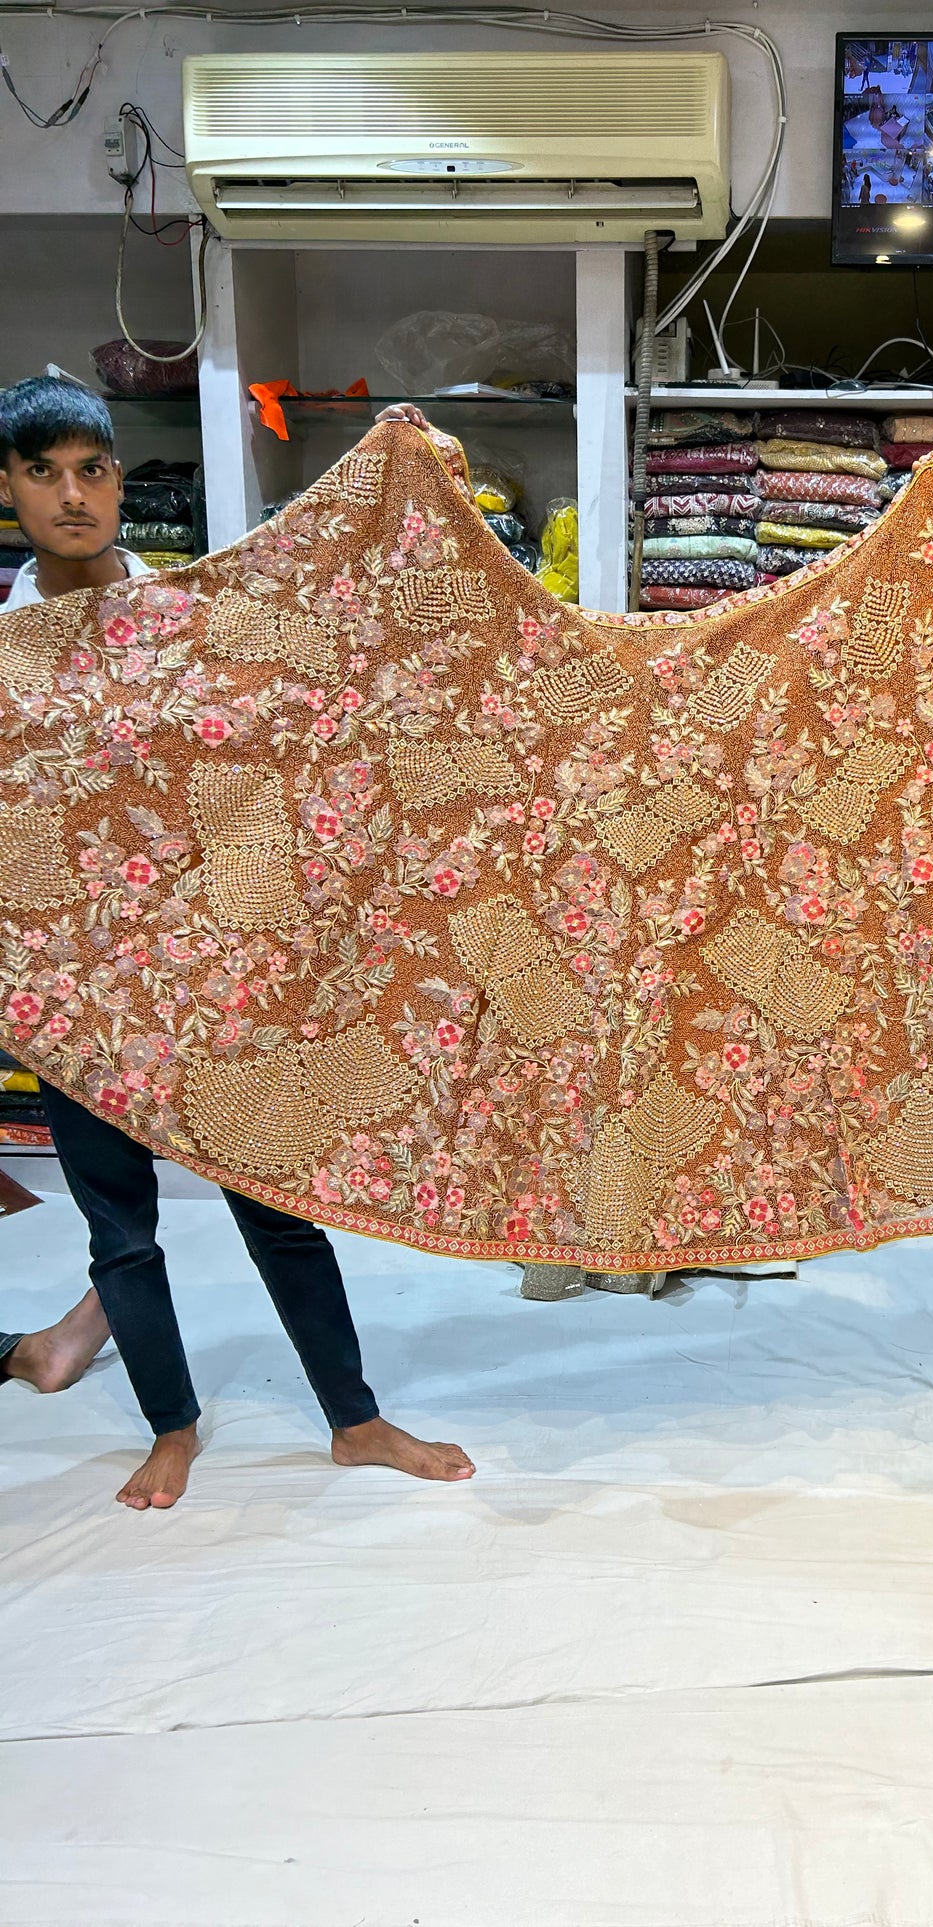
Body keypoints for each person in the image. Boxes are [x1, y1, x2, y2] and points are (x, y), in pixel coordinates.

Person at [0, 375, 476, 1507]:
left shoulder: (197, 618)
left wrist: (403, 482)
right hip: (77, 994)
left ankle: (353, 1421)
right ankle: (172, 1425)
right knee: (121, 1230)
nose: (74, 495)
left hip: (223, 977)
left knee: (280, 1205)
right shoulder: (6, 657)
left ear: (120, 479)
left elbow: (330, 662)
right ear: (7, 486)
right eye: (44, 472)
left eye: (94, 469)